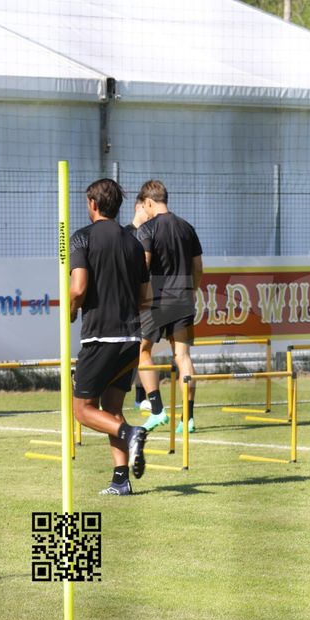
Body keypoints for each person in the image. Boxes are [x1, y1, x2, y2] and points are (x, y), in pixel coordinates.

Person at [69, 179, 150, 495]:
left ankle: (131, 433)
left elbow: (78, 288)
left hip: (101, 338)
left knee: (82, 410)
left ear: (92, 203)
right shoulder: (134, 244)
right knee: (111, 408)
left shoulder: (82, 238)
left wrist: (71, 310)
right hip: (131, 340)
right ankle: (120, 480)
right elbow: (146, 297)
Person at [135, 180, 204, 434]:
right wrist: (191, 291)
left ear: (149, 202)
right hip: (183, 297)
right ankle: (188, 418)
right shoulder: (187, 227)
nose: (145, 211)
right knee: (182, 357)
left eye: (144, 206)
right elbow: (198, 268)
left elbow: (144, 265)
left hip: (155, 299)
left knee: (142, 351)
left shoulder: (147, 229)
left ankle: (157, 410)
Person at [123, 193, 151, 411]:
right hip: (127, 302)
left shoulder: (151, 233)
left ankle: (142, 397)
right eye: (146, 207)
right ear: (138, 207)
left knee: (143, 351)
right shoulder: (125, 234)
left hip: (145, 301)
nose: (150, 213)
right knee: (127, 352)